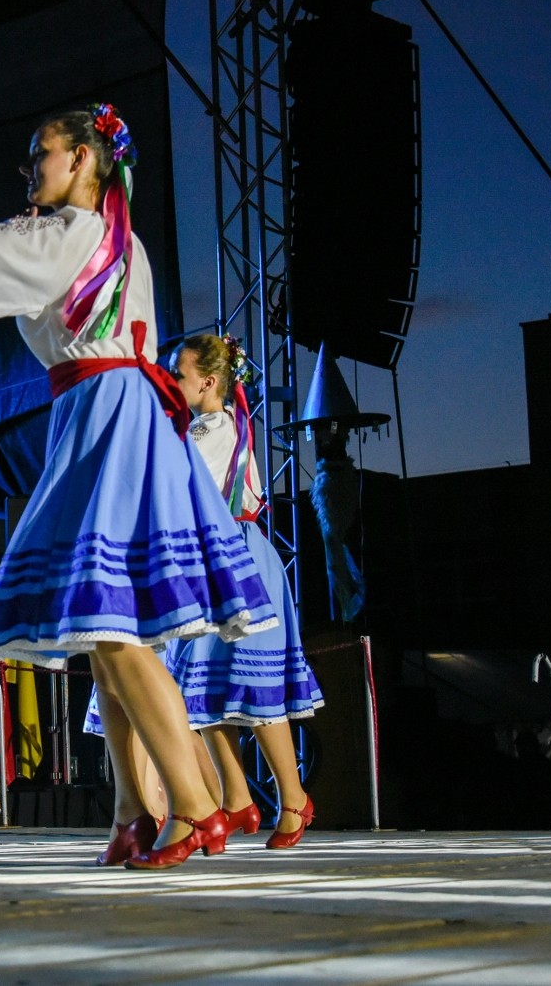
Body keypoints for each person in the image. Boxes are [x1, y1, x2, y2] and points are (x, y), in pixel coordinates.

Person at [0, 104, 278, 870]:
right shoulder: (110, 237)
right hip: (107, 408)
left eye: (41, 154)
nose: (30, 169)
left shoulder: (76, 231)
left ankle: (192, 805)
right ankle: (134, 810)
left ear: (83, 160)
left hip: (106, 410)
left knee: (112, 628)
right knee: (105, 630)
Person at [161, 332, 322, 848]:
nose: (170, 382)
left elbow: (178, 488)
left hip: (236, 558)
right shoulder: (208, 425)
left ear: (208, 382)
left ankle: (293, 798)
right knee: (201, 690)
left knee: (253, 687)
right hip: (211, 558)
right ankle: (236, 797)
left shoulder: (212, 429)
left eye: (178, 374)